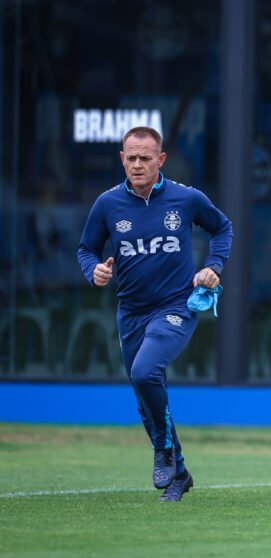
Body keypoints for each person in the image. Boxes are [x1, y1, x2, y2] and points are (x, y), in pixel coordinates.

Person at [77, 126, 233, 502]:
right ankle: (179, 473)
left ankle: (163, 452)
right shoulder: (108, 204)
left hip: (176, 306)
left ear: (160, 160)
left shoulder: (185, 198)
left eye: (145, 158)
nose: (137, 165)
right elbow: (86, 249)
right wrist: (94, 270)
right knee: (144, 393)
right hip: (130, 312)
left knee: (146, 371)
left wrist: (214, 265)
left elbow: (222, 227)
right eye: (130, 158)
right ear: (122, 159)